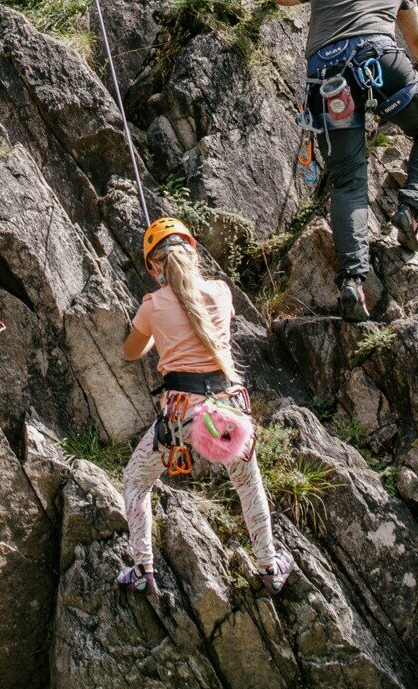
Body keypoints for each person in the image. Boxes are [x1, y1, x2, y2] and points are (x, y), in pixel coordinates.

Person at [263, 0, 418, 321]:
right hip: (379, 62)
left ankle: (352, 282)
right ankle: (412, 209)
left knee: (348, 180)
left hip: (327, 80)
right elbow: (417, 42)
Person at [118, 217, 293, 595]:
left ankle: (143, 570)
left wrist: (157, 334)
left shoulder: (152, 306)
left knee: (135, 480)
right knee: (248, 483)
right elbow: (208, 327)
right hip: (228, 412)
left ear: (154, 267)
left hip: (181, 416)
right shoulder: (220, 291)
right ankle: (270, 567)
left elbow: (131, 352)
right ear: (193, 254)